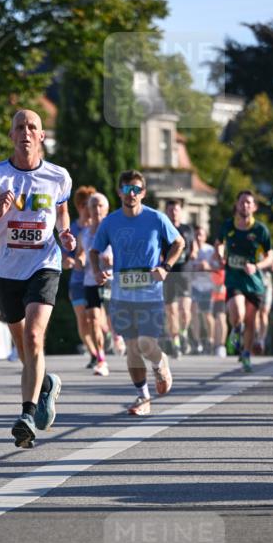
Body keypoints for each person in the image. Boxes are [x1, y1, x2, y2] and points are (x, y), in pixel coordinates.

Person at [0, 109, 76, 447]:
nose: (25, 132)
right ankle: (46, 386)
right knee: (25, 347)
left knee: (34, 336)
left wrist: (66, 234)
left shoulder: (58, 177)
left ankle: (26, 414)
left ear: (41, 136)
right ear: (11, 136)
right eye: (19, 127)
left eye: (32, 127)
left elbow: (62, 212)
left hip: (44, 263)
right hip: (4, 271)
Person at [90, 170, 184, 416]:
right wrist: (97, 271)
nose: (131, 194)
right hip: (122, 294)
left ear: (142, 193)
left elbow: (179, 242)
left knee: (145, 343)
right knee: (131, 348)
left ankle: (160, 361)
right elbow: (94, 250)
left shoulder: (156, 218)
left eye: (136, 190)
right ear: (119, 192)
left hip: (150, 294)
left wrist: (165, 267)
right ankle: (143, 397)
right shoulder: (110, 222)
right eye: (127, 189)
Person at [216, 190, 273, 373]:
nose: (245, 205)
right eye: (242, 202)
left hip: (254, 282)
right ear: (237, 204)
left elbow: (270, 256)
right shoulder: (227, 225)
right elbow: (219, 243)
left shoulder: (260, 230)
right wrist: (219, 253)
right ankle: (235, 329)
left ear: (254, 207)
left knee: (250, 321)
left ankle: (246, 355)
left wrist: (257, 266)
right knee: (238, 314)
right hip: (234, 278)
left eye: (249, 202)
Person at [76, 192, 111, 377]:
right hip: (91, 281)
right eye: (93, 206)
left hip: (113, 281)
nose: (97, 210)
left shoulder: (113, 230)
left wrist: (112, 259)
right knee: (93, 320)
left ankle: (117, 335)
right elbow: (80, 254)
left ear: (106, 209)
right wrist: (79, 261)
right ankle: (101, 360)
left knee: (113, 319)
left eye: (100, 206)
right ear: (88, 210)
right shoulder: (84, 234)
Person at [65, 185, 98, 366]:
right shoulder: (72, 229)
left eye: (93, 203)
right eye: (85, 204)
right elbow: (64, 255)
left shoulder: (101, 226)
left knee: (96, 318)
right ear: (79, 206)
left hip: (98, 280)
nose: (89, 208)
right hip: (77, 281)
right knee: (83, 320)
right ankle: (93, 353)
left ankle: (106, 339)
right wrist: (68, 262)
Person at [162, 199, 196, 357]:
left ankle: (183, 333)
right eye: (170, 210)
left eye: (176, 210)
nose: (173, 212)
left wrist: (193, 255)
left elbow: (194, 248)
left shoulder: (187, 229)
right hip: (169, 273)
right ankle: (175, 341)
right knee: (171, 310)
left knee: (184, 310)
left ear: (180, 211)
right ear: (166, 212)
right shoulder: (163, 230)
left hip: (184, 272)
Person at [189, 226, 216, 353]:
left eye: (201, 235)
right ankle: (197, 341)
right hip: (194, 285)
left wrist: (207, 266)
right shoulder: (190, 250)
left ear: (205, 237)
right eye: (196, 235)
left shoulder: (210, 250)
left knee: (207, 315)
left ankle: (210, 340)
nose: (199, 237)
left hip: (208, 286)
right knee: (193, 312)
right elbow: (186, 268)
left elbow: (217, 267)